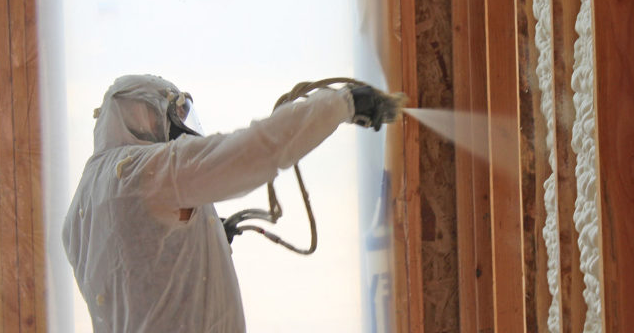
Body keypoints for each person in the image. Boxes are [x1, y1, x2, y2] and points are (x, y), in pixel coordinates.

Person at [62, 74, 397, 332]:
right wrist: (342, 105)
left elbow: (137, 270)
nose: (181, 128)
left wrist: (200, 238)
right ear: (141, 115)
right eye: (174, 114)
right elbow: (251, 151)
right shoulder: (142, 172)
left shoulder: (81, 209)